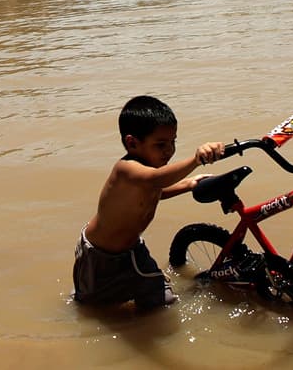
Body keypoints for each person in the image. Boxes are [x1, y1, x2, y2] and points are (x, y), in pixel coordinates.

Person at [73, 95, 224, 308]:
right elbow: (156, 181)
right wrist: (196, 160)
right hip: (101, 257)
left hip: (132, 249)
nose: (170, 150)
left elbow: (157, 191)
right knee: (92, 307)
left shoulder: (146, 176)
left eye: (173, 142)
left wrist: (189, 184)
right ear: (132, 143)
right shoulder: (126, 169)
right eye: (161, 144)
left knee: (160, 298)